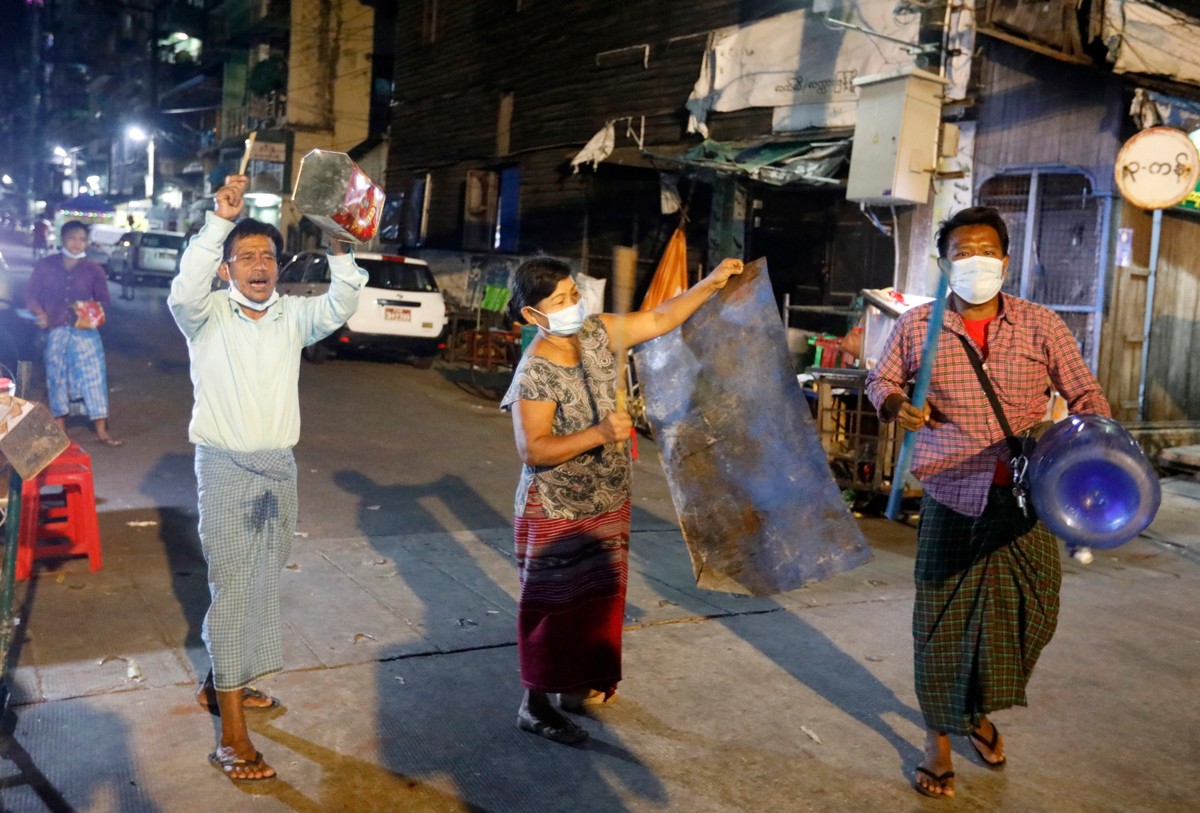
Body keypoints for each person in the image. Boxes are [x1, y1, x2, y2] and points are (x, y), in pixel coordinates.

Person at [865, 206, 1112, 799]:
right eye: (961, 254)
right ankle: (938, 740)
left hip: (1029, 497)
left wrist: (1095, 449)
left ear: (1004, 259)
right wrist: (897, 405)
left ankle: (972, 709)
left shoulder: (1040, 325)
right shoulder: (920, 325)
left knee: (1032, 613)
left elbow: (1084, 392)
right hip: (952, 492)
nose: (975, 263)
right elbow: (881, 380)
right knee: (941, 621)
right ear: (946, 263)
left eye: (985, 252)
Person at [168, 175, 365, 782]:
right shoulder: (204, 317)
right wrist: (219, 222)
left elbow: (341, 303)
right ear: (226, 269)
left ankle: (221, 680)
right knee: (233, 590)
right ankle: (232, 735)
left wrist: (341, 249)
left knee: (259, 581)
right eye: (247, 257)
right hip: (224, 468)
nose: (260, 265)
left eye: (268, 257)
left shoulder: (291, 317)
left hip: (278, 469)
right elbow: (182, 289)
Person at [501, 255, 744, 744]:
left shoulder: (594, 334)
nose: (574, 306)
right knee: (553, 607)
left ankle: (575, 688)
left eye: (574, 294)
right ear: (532, 315)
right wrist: (596, 433)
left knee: (595, 602)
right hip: (555, 509)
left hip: (606, 501)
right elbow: (533, 448)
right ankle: (535, 704)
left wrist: (710, 280)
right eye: (560, 301)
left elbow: (658, 318)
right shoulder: (535, 373)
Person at [25, 220, 123, 446]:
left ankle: (101, 430)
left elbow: (104, 301)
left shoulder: (94, 269)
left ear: (87, 242)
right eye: (72, 238)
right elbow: (31, 295)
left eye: (81, 239)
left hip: (86, 334)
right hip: (56, 331)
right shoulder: (46, 266)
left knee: (94, 379)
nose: (77, 243)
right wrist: (40, 313)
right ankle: (61, 429)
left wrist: (87, 310)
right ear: (62, 238)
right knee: (57, 377)